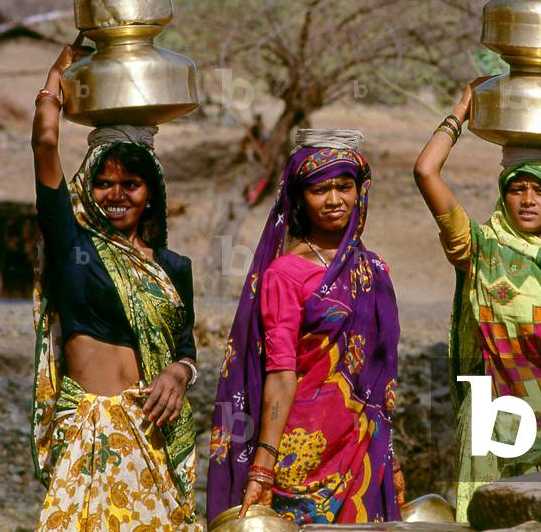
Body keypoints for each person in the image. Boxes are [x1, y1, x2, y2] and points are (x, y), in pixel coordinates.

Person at [413, 83, 541, 521]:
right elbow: (426, 172)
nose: (527, 200)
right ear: (503, 194)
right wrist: (460, 113)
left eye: (540, 190)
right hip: (492, 418)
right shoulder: (479, 246)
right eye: (517, 188)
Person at [31, 44, 201, 529]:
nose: (116, 195)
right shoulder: (71, 247)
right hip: (89, 428)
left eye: (131, 184)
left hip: (151, 429)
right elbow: (45, 143)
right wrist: (62, 67)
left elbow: (185, 346)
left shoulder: (174, 267)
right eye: (104, 183)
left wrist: (179, 373)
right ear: (88, 186)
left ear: (152, 193)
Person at [207, 129, 403, 525]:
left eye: (344, 187)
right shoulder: (285, 274)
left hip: (363, 447)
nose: (334, 200)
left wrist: (392, 457)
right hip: (303, 453)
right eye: (319, 190)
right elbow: (281, 372)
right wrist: (263, 463)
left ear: (359, 191)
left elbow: (379, 380)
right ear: (300, 198)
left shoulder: (375, 270)